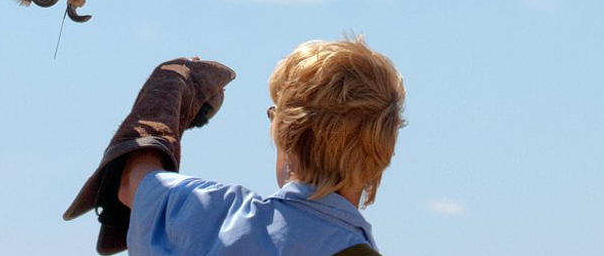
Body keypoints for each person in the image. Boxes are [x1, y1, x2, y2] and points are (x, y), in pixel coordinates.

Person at [64, 37, 406, 255]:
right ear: (380, 155)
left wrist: (167, 96)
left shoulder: (222, 218)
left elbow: (131, 184)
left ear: (288, 133)